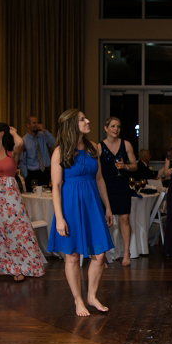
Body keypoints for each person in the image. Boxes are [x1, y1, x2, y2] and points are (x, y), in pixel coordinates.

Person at [47, 109, 114, 316]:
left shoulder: (94, 148)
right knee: (73, 256)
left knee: (100, 254)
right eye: (82, 119)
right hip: (70, 206)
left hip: (92, 204)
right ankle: (78, 300)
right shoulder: (60, 151)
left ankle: (91, 295)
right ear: (71, 125)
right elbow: (56, 186)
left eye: (86, 117)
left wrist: (108, 207)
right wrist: (60, 217)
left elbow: (100, 179)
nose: (88, 121)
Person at [0, 122, 45, 284]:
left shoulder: (11, 153)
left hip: (9, 194)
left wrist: (13, 132)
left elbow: (20, 143)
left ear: (1, 133)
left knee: (15, 229)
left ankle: (18, 266)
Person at [99, 116, 138, 266]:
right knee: (105, 221)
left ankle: (126, 252)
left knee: (124, 219)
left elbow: (135, 165)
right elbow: (97, 171)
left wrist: (126, 167)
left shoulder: (126, 144)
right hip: (106, 187)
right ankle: (103, 255)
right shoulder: (99, 147)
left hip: (122, 185)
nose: (116, 129)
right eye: (113, 126)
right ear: (106, 128)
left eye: (118, 127)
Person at [20, 116, 55, 188]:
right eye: (34, 123)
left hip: (44, 172)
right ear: (27, 125)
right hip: (32, 173)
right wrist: (26, 176)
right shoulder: (24, 141)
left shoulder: (43, 136)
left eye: (37, 123)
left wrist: (45, 131)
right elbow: (22, 161)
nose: (37, 125)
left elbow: (54, 144)